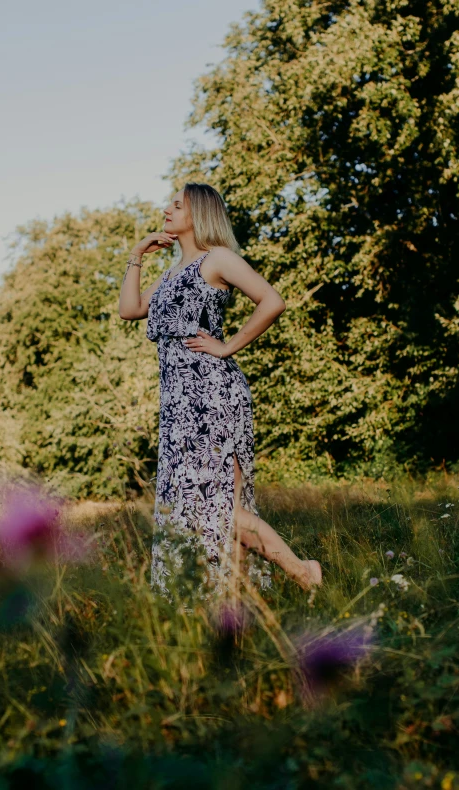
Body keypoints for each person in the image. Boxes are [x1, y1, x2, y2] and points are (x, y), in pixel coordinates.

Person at [119, 182, 322, 602]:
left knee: (222, 511)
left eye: (178, 204)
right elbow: (130, 310)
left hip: (212, 395)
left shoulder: (219, 260)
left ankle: (304, 573)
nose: (168, 209)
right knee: (192, 510)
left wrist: (228, 346)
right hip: (177, 405)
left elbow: (272, 301)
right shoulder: (172, 273)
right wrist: (137, 256)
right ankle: (217, 600)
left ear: (201, 213)